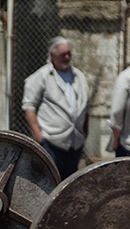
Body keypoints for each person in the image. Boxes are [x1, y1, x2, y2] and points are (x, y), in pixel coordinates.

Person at [20, 36, 90, 180]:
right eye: (62, 54)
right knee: (51, 181)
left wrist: (85, 132)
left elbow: (85, 106)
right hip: (52, 141)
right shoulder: (42, 76)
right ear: (52, 55)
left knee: (69, 183)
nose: (67, 57)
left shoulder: (79, 76)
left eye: (69, 53)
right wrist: (39, 136)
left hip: (75, 141)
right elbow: (29, 106)